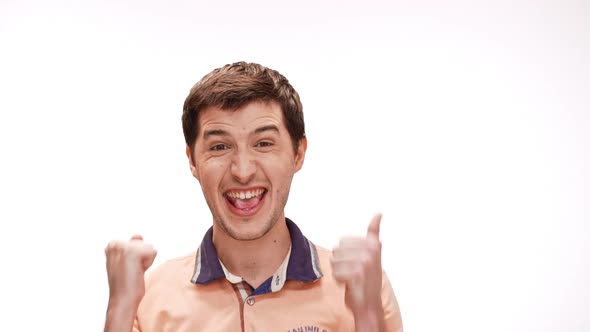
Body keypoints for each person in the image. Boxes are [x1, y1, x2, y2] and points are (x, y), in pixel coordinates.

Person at [104, 61, 403, 332]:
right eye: (220, 147)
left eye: (263, 143)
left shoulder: (359, 287)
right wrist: (120, 309)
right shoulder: (149, 295)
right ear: (192, 160)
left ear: (298, 153)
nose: (243, 171)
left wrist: (367, 316)